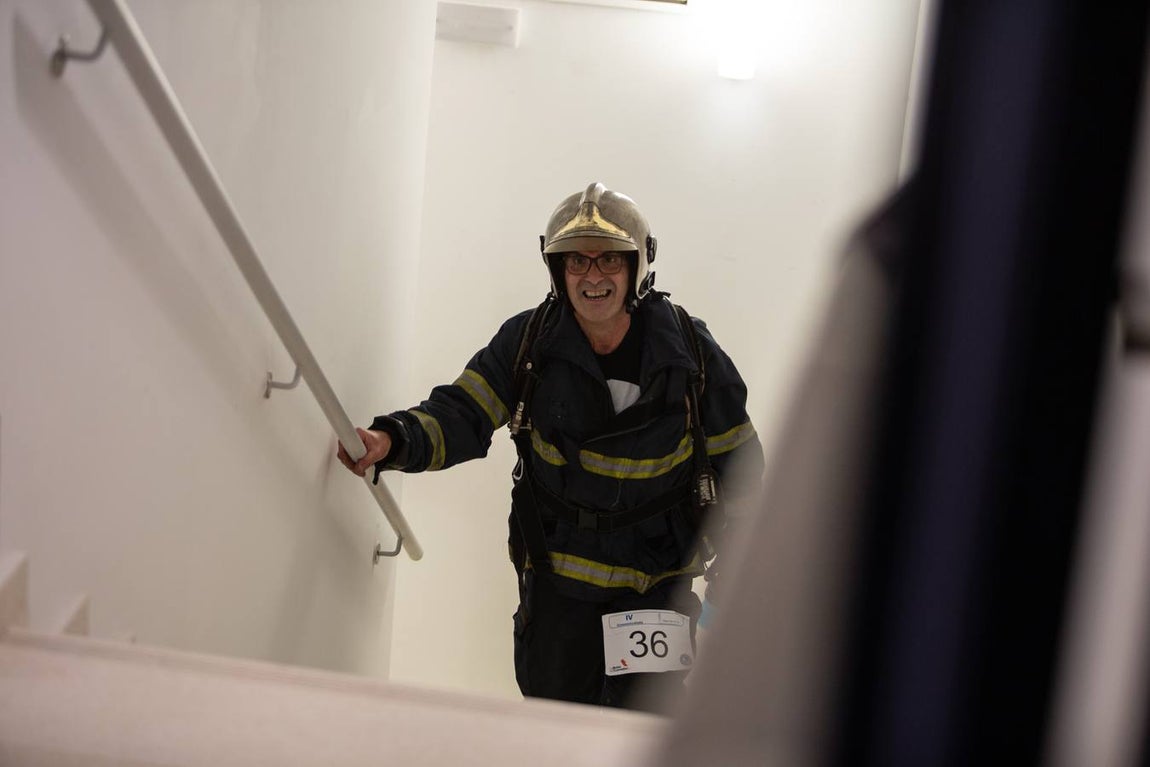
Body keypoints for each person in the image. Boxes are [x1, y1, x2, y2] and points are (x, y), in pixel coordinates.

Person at [337, 182, 763, 712]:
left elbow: (742, 470)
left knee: (647, 726)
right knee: (553, 722)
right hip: (561, 583)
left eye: (609, 259)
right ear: (558, 272)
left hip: (658, 586)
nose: (593, 277)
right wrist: (391, 439)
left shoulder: (693, 355)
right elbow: (463, 412)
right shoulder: (528, 343)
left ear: (637, 266)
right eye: (576, 262)